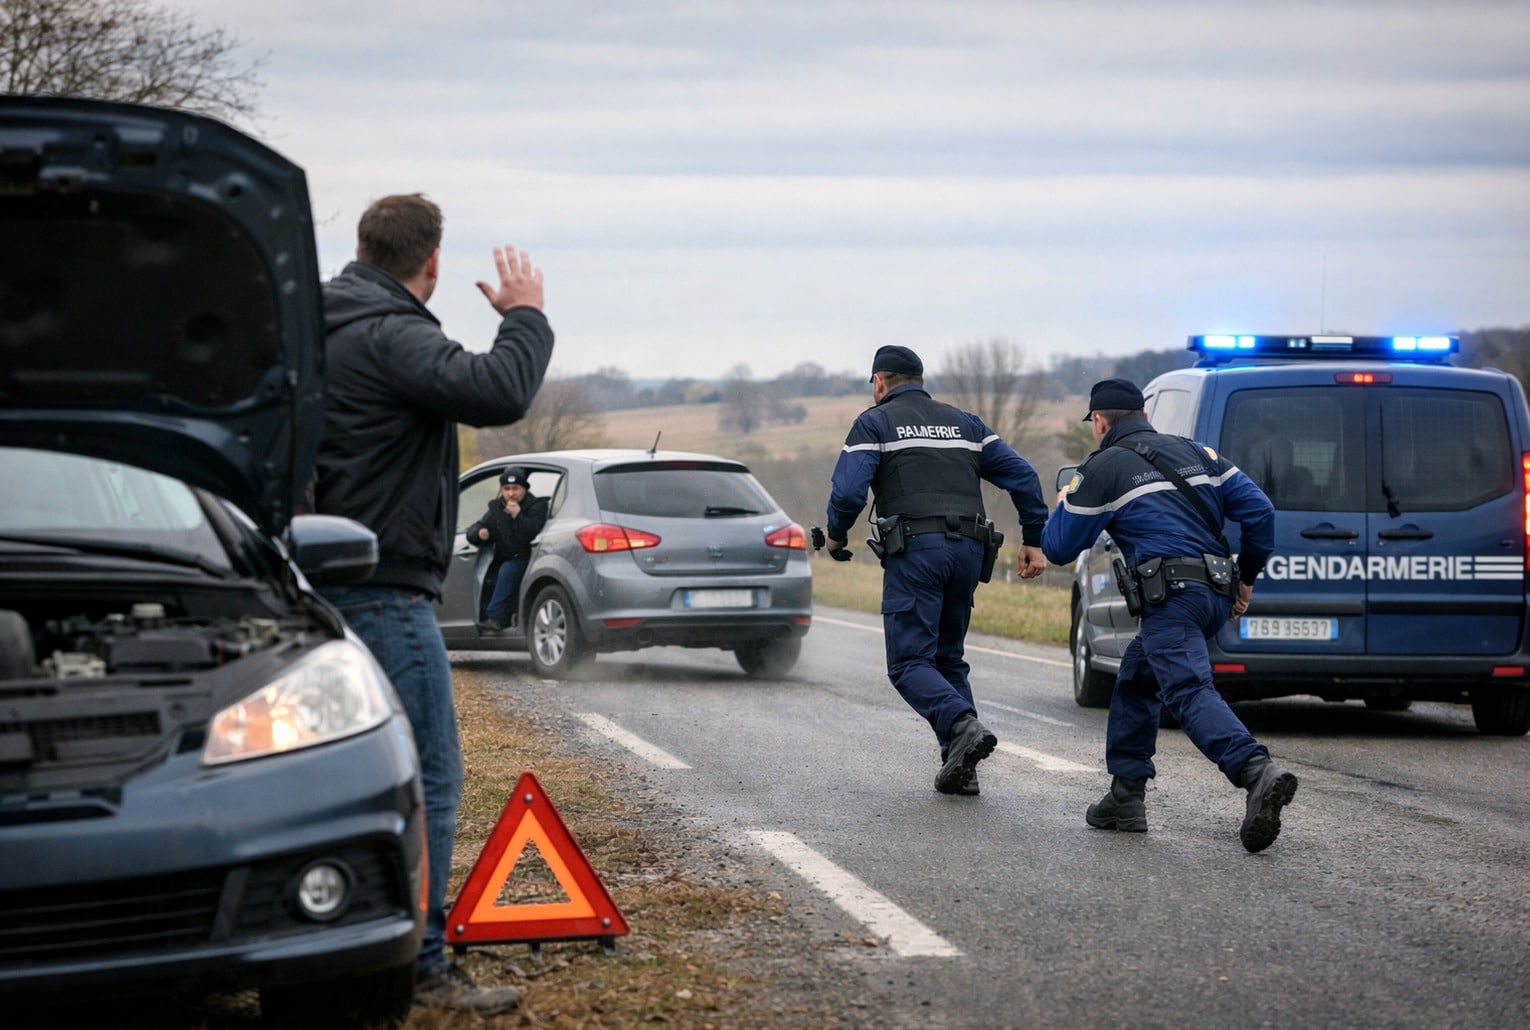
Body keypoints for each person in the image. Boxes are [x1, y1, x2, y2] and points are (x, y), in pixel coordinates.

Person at [312, 193, 554, 1014]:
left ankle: (338, 941)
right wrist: (525, 317)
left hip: (321, 582)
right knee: (430, 774)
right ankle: (419, 963)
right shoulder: (391, 331)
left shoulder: (320, 324)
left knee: (335, 771)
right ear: (434, 263)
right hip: (382, 591)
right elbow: (498, 390)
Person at [1040, 378, 1298, 853]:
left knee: (1186, 688)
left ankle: (1255, 771)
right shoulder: (1200, 453)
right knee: (1137, 680)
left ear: (1099, 421)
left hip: (1171, 596)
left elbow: (1058, 547)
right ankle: (1125, 795)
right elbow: (1260, 510)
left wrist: (1062, 505)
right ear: (1142, 413)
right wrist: (1247, 577)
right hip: (1213, 593)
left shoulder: (1103, 467)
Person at [825, 345, 1049, 796]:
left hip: (917, 552)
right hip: (969, 550)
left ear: (879, 383)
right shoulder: (966, 424)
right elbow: (1023, 475)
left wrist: (835, 535)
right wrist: (1033, 540)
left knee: (909, 662)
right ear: (921, 381)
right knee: (948, 658)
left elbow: (849, 492)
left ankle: (962, 725)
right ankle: (960, 767)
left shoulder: (874, 422)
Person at [466, 465, 549, 631]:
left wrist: (517, 515)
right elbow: (474, 529)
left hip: (529, 558)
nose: (511, 494)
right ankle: (498, 617)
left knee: (508, 570)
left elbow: (532, 532)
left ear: (524, 489)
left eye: (515, 488)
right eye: (506, 489)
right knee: (493, 574)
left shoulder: (537, 506)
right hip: (505, 557)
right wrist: (480, 533)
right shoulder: (496, 508)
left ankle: (495, 616)